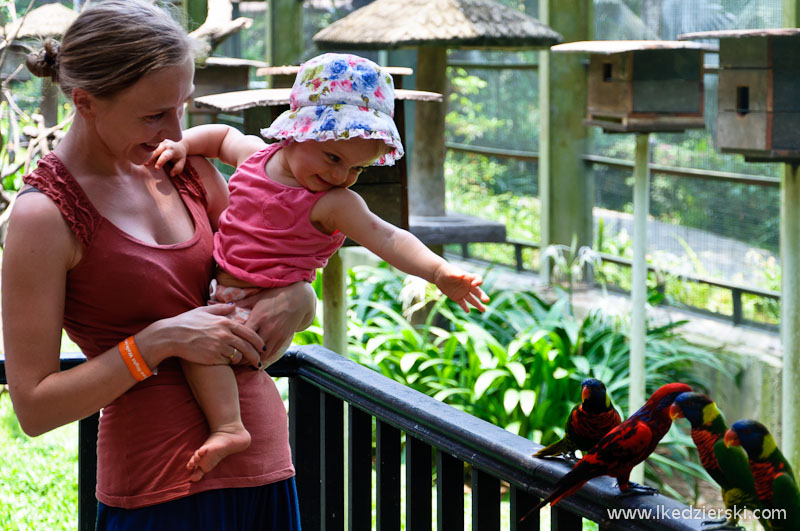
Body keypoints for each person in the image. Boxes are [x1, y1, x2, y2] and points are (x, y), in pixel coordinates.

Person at [1, 1, 314, 528]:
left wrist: (300, 298)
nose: (174, 128)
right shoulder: (44, 214)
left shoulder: (185, 167)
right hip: (157, 486)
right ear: (86, 102)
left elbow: (269, 266)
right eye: (152, 114)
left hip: (265, 465)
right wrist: (159, 341)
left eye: (183, 107)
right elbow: (35, 409)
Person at [151, 52, 491, 479]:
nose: (342, 175)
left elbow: (387, 236)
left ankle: (229, 427)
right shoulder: (255, 157)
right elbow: (220, 136)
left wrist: (439, 272)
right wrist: (183, 144)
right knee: (200, 341)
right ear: (296, 132)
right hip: (224, 290)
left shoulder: (332, 203)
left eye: (357, 168)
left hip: (261, 304)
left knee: (201, 352)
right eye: (333, 158)